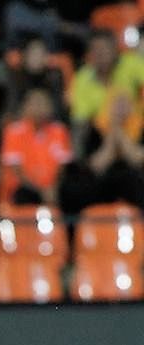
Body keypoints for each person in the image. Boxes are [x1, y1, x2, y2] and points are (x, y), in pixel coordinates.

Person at [64, 30, 144, 212]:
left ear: (115, 50)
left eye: (104, 49)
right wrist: (112, 125)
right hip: (100, 136)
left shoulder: (133, 65)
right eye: (95, 50)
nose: (100, 54)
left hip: (134, 132)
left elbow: (136, 157)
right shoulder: (82, 78)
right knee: (75, 186)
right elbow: (82, 122)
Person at [0, 88, 72, 206]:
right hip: (25, 187)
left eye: (43, 103)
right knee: (22, 195)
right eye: (35, 103)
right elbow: (16, 170)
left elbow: (62, 168)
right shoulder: (14, 131)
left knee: (72, 190)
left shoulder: (59, 130)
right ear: (25, 106)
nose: (39, 108)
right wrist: (40, 190)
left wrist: (52, 187)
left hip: (52, 188)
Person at [4, 38, 66, 121]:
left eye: (39, 54)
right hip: (23, 117)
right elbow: (13, 103)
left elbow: (58, 107)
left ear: (46, 56)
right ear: (25, 55)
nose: (36, 58)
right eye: (32, 54)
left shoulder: (53, 75)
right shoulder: (17, 75)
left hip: (49, 118)